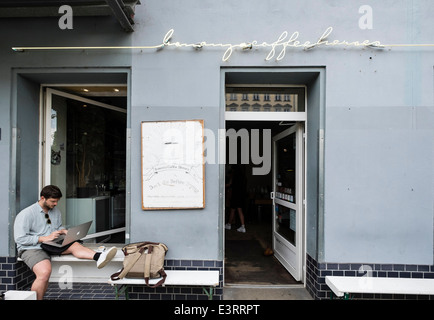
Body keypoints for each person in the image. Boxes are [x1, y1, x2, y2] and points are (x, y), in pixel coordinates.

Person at [14, 185, 117, 300]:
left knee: (74, 244)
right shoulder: (26, 214)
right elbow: (20, 239)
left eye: (57, 201)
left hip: (51, 244)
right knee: (44, 274)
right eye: (53, 201)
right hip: (33, 248)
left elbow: (55, 227)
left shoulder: (55, 211)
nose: (56, 204)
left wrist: (62, 231)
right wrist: (44, 238)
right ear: (43, 198)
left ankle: (99, 257)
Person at [225, 165, 247, 233]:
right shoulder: (243, 177)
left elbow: (230, 184)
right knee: (239, 211)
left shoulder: (233, 176)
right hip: (241, 195)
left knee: (232, 210)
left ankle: (228, 224)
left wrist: (222, 185)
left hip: (235, 195)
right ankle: (243, 226)